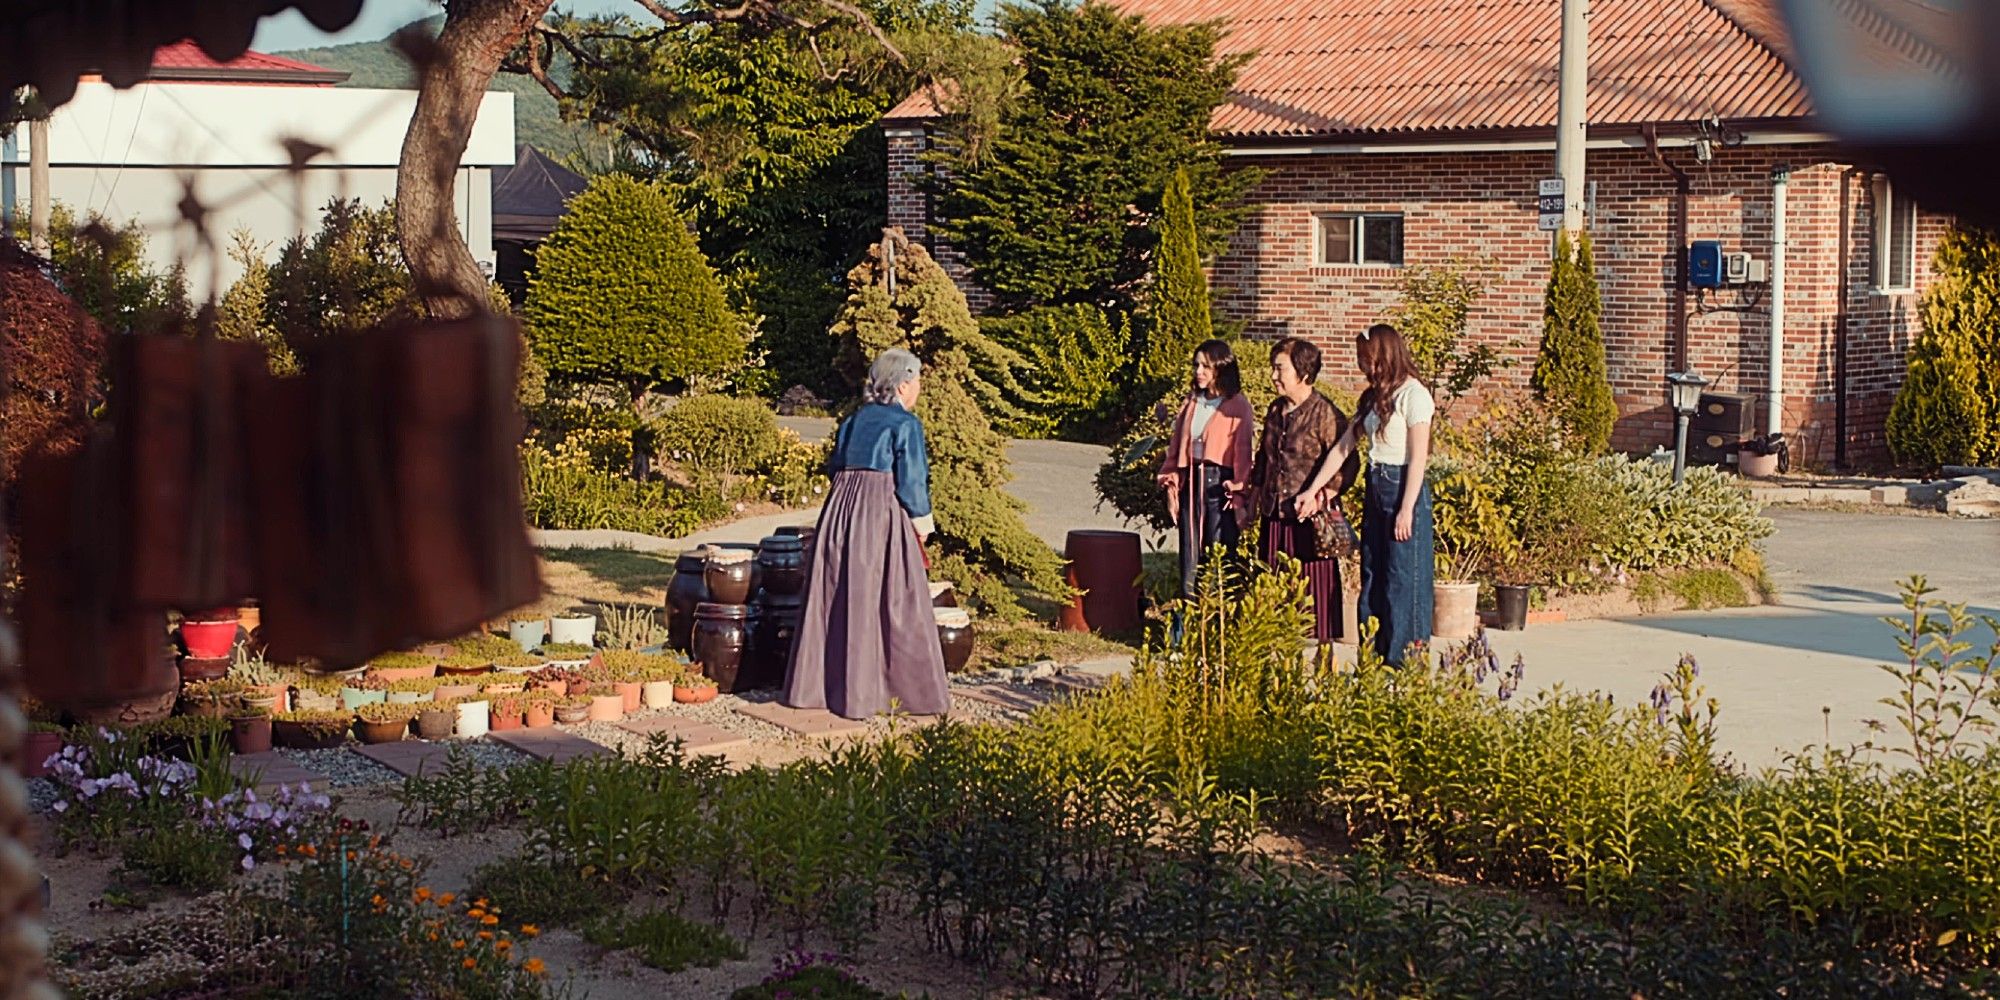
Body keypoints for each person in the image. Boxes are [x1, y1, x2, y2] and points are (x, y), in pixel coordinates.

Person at [783, 348, 950, 718]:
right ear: (904, 384)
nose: (919, 387)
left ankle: (822, 689)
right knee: (893, 597)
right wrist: (921, 524)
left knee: (839, 594)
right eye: (918, 380)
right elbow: (911, 482)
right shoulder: (906, 425)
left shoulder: (853, 421)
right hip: (881, 515)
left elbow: (836, 467)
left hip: (840, 513)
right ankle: (895, 693)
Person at [1295, 324, 1436, 666]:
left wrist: (1406, 509)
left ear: (1385, 355)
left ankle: (1405, 665)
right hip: (1376, 487)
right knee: (1373, 576)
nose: (1365, 368)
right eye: (1361, 360)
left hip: (1404, 490)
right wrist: (1313, 488)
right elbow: (1345, 447)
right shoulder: (1376, 398)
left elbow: (1418, 458)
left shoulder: (1414, 395)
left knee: (1405, 580)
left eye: (1368, 359)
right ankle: (1373, 661)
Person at [1228, 337, 1359, 643]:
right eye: (1273, 368)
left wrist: (1324, 494)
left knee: (1315, 591)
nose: (1273, 376)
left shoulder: (1326, 414)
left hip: (1308, 520)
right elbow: (1264, 459)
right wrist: (1252, 502)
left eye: (1280, 369)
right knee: (1271, 588)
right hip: (1275, 514)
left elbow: (1349, 464)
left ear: (1303, 372)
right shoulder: (1275, 410)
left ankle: (1322, 659)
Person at [1156, 340, 1255, 597]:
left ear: (1220, 369)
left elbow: (1243, 453)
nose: (1198, 371)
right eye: (1196, 365)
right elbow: (1176, 447)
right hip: (1192, 480)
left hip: (1219, 484)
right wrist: (1171, 486)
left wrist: (1239, 496)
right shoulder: (1192, 402)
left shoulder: (1238, 405)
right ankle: (1188, 622)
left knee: (1219, 557)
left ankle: (1219, 622)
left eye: (1205, 367)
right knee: (1190, 554)